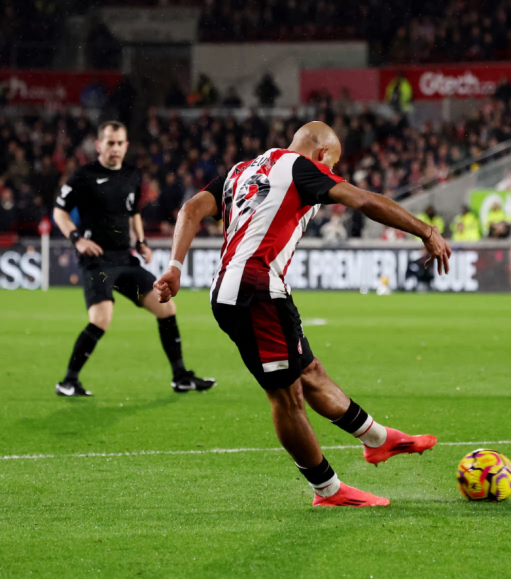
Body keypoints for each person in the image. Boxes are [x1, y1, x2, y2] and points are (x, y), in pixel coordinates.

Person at [154, 121, 452, 507]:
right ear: (323, 155)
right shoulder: (300, 167)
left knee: (309, 372)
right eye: (333, 165)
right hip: (255, 290)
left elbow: (191, 208)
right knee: (286, 397)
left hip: (240, 288)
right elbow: (361, 200)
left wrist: (175, 267)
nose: (332, 173)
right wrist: (426, 231)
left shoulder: (241, 171)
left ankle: (376, 439)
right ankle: (327, 490)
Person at [52, 121, 215, 397]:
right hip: (98, 261)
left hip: (124, 260)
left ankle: (180, 376)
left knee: (166, 308)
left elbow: (133, 212)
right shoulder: (84, 176)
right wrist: (77, 239)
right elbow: (59, 212)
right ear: (99, 144)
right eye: (110, 142)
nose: (115, 148)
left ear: (126, 146)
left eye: (119, 143)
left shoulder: (131, 175)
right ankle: (68, 381)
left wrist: (141, 241)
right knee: (101, 318)